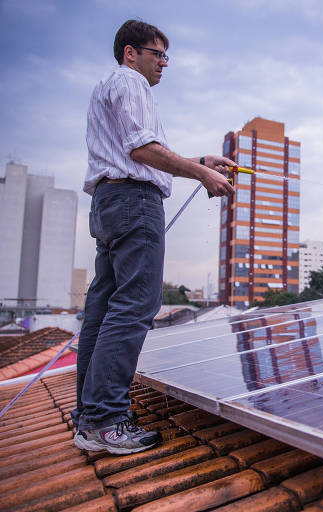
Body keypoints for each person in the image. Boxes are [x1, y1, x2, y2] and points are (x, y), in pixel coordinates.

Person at [73, 20, 234, 455]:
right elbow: (142, 151)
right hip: (132, 204)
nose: (164, 63)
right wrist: (201, 173)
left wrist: (200, 159)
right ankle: (106, 420)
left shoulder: (109, 86)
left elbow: (137, 152)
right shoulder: (131, 83)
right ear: (131, 52)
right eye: (157, 54)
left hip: (108, 203)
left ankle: (88, 417)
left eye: (166, 56)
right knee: (134, 305)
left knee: (104, 307)